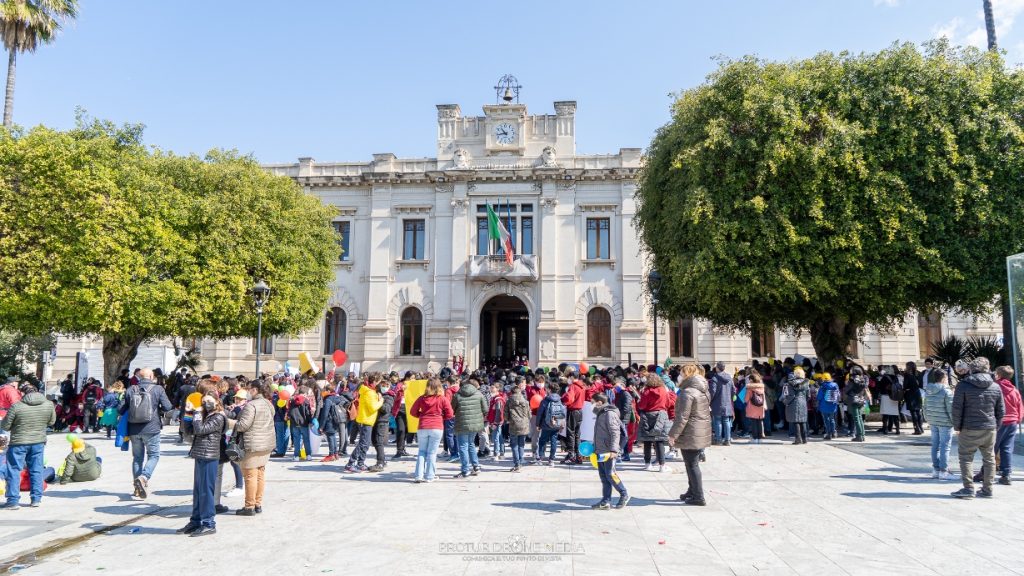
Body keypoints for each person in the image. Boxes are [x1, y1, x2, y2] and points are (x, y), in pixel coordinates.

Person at [950, 357, 1005, 499]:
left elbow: (957, 409)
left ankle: (968, 489)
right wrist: (996, 426)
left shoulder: (963, 385)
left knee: (966, 458)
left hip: (969, 427)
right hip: (989, 427)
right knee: (989, 459)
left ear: (972, 369)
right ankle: (988, 489)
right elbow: (1001, 411)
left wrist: (957, 426)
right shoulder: (995, 386)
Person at [119, 368, 173, 500]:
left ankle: (137, 489)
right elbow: (167, 407)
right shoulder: (158, 389)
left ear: (139, 376)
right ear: (151, 376)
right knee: (154, 455)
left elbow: (121, 409)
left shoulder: (131, 389)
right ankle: (143, 477)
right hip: (152, 428)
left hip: (134, 430)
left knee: (137, 458)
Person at [178, 391, 226, 536]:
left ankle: (209, 523)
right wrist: (188, 413)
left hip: (210, 456)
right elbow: (189, 430)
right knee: (198, 491)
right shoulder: (205, 415)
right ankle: (196, 520)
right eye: (204, 401)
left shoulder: (219, 417)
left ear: (217, 401)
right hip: (200, 454)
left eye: (209, 401)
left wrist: (198, 414)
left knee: (206, 491)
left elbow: (200, 430)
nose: (205, 404)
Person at [1, 383, 56, 509]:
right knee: (36, 469)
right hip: (38, 442)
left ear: (23, 394)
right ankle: (36, 499)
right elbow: (52, 422)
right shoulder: (48, 405)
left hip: (18, 443)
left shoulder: (16, 407)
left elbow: (5, 426)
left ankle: (13, 501)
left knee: (14, 470)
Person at [667, 364, 712, 506]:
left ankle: (698, 496)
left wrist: (673, 434)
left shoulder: (688, 392)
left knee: (692, 464)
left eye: (681, 373)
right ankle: (692, 490)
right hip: (698, 430)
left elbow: (682, 417)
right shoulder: (702, 389)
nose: (679, 376)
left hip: (691, 432)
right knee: (691, 463)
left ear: (687, 374)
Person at [231, 381, 275, 516]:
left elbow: (243, 425)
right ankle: (257, 504)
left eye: (249, 389)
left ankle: (249, 506)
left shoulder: (251, 406)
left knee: (250, 475)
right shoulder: (268, 403)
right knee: (260, 474)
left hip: (253, 445)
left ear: (255, 390)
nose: (248, 392)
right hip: (266, 444)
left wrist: (229, 422)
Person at [410, 378, 454, 482]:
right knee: (432, 453)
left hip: (423, 426)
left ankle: (418, 476)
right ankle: (429, 476)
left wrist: (421, 415)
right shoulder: (442, 399)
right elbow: (450, 414)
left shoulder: (422, 398)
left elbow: (412, 411)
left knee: (421, 452)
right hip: (437, 426)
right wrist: (441, 417)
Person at [590, 392, 628, 509]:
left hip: (609, 451)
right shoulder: (601, 413)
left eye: (592, 402)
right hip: (600, 449)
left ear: (599, 402)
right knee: (603, 475)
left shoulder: (609, 414)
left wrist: (614, 450)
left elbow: (615, 433)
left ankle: (624, 494)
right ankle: (606, 500)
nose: (591, 405)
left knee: (610, 474)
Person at [637, 374, 675, 472]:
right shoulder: (663, 390)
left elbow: (642, 406)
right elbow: (667, 403)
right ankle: (662, 466)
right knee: (659, 441)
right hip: (661, 416)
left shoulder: (646, 392)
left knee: (647, 442)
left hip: (647, 417)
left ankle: (647, 464)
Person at [345, 376, 383, 473]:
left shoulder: (370, 391)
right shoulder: (369, 392)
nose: (380, 385)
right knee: (363, 443)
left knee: (365, 444)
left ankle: (360, 463)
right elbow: (373, 407)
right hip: (365, 420)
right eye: (379, 382)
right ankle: (350, 463)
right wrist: (381, 401)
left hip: (367, 420)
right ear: (374, 382)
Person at [451, 377, 487, 478]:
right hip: (475, 424)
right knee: (471, 444)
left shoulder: (457, 395)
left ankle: (465, 470)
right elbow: (485, 409)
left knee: (463, 447)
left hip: (461, 424)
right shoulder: (479, 394)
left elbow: (452, 409)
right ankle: (476, 466)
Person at [994, 366, 1022, 486]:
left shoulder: (994, 387)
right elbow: (1019, 405)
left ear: (998, 375)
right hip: (1012, 422)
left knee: (991, 448)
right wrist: (1018, 419)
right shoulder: (1014, 389)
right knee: (1007, 448)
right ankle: (1006, 474)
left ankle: (985, 472)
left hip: (998, 422)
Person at [924, 367, 955, 480]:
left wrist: (927, 418)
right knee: (945, 446)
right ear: (944, 378)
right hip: (945, 422)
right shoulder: (946, 391)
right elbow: (950, 409)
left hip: (933, 421)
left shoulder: (928, 390)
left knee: (935, 446)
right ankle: (944, 470)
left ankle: (936, 470)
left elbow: (925, 406)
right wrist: (954, 422)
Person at [367, 378, 395, 472]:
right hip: (374, 420)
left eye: (387, 385)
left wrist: (379, 401)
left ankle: (380, 462)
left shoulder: (389, 396)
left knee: (379, 442)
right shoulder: (378, 393)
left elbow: (386, 409)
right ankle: (382, 460)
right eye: (383, 385)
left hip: (382, 421)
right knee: (374, 441)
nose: (384, 387)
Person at [504, 380, 530, 472]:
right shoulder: (525, 401)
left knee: (514, 444)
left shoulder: (509, 401)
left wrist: (507, 420)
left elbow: (506, 413)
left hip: (513, 424)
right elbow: (529, 414)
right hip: (524, 424)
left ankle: (517, 464)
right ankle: (520, 461)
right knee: (521, 444)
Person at [536, 382, 565, 466]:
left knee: (542, 441)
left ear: (549, 390)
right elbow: (562, 413)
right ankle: (551, 460)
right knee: (554, 442)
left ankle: (540, 458)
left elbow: (540, 413)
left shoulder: (546, 400)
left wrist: (538, 424)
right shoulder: (560, 400)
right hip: (556, 424)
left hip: (546, 424)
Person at [708, 362, 735, 446]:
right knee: (726, 421)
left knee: (717, 421)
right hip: (727, 402)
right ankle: (727, 440)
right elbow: (733, 390)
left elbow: (712, 391)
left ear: (717, 368)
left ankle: (718, 440)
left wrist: (709, 400)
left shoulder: (715, 378)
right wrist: (730, 398)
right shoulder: (729, 377)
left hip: (717, 403)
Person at [782, 368, 810, 444]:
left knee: (796, 421)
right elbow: (808, 395)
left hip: (793, 403)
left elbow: (791, 395)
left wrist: (785, 402)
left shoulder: (791, 383)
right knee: (803, 421)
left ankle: (798, 439)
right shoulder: (806, 382)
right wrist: (804, 400)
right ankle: (804, 439)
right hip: (803, 402)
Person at [318, 384, 345, 462]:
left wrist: (321, 426)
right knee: (332, 436)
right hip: (336, 420)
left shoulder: (328, 399)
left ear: (328, 391)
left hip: (329, 421)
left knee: (330, 437)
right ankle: (335, 453)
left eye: (325, 390)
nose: (323, 392)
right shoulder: (337, 398)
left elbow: (325, 413)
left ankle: (331, 455)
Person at [844, 367, 869, 442]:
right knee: (860, 418)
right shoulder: (863, 379)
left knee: (856, 418)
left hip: (854, 400)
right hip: (861, 399)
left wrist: (847, 384)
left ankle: (859, 436)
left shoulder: (852, 379)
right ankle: (862, 435)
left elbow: (847, 390)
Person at [287, 392, 313, 462]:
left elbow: (290, 411)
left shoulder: (292, 401)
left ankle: (296, 456)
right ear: (304, 393)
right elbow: (308, 413)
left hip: (295, 423)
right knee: (306, 439)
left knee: (296, 440)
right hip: (304, 423)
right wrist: (310, 421)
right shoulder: (306, 401)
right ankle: (309, 455)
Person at [815, 373, 840, 440]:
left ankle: (828, 434)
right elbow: (838, 395)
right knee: (832, 419)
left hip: (824, 405)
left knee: (826, 419)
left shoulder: (823, 386)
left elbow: (819, 397)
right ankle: (834, 432)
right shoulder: (835, 385)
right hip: (833, 405)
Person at [878, 366, 901, 435]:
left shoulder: (884, 378)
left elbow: (880, 387)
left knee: (885, 414)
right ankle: (897, 429)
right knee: (895, 414)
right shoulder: (895, 377)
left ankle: (885, 429)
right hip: (894, 397)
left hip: (885, 397)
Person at [487, 383, 507, 461]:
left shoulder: (498, 400)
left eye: (493, 387)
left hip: (496, 422)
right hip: (495, 421)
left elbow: (499, 412)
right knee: (499, 437)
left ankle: (496, 454)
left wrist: (495, 423)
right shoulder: (494, 399)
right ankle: (501, 452)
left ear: (497, 389)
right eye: (491, 387)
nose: (491, 389)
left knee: (495, 437)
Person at [744, 372, 766, 444]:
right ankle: (760, 438)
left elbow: (746, 399)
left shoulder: (750, 388)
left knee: (754, 423)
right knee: (759, 422)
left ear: (752, 380)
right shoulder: (762, 387)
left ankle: (755, 438)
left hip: (752, 407)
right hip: (760, 406)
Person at [904, 362, 924, 435]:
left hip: (910, 393)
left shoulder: (907, 374)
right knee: (918, 412)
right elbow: (921, 385)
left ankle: (916, 429)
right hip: (917, 393)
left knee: (913, 412)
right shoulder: (919, 373)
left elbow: (905, 385)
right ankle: (921, 428)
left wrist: (905, 389)